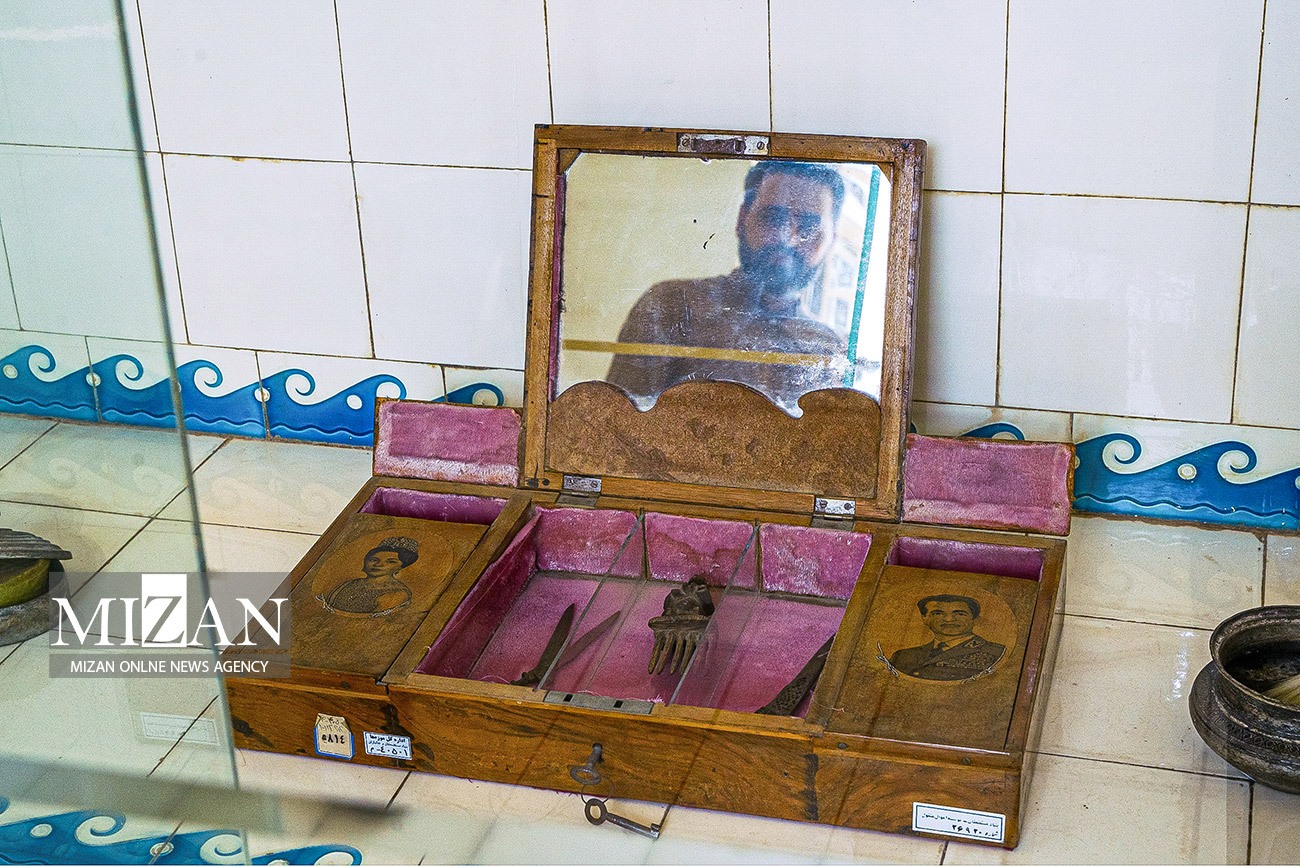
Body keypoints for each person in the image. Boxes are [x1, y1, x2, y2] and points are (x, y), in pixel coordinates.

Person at [605, 161, 850, 412]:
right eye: (772, 218)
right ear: (742, 220)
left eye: (809, 227)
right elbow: (618, 423)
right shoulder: (670, 306)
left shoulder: (829, 348)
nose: (786, 238)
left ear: (831, 241)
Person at [888, 594, 1006, 681]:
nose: (949, 619)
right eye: (938, 613)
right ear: (924, 619)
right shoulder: (903, 656)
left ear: (975, 619)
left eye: (960, 614)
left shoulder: (997, 653)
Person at [318, 536, 419, 617]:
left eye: (391, 562)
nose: (378, 565)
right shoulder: (348, 584)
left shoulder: (397, 593)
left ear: (400, 567)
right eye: (374, 560)